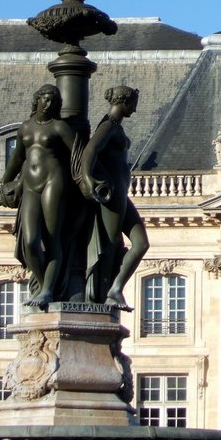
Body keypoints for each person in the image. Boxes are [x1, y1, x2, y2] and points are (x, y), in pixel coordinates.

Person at [0, 84, 77, 308]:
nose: (49, 103)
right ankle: (45, 285)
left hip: (54, 183)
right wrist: (4, 185)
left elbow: (78, 158)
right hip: (30, 187)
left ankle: (48, 290)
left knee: (53, 240)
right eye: (45, 99)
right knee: (30, 241)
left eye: (53, 100)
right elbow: (16, 159)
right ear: (37, 100)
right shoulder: (25, 128)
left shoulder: (60, 128)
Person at [79, 85, 149, 309]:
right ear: (125, 102)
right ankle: (102, 294)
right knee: (109, 246)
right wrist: (88, 180)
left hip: (121, 194)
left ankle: (115, 289)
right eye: (134, 105)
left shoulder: (115, 127)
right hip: (111, 195)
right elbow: (90, 151)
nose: (135, 110)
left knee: (141, 244)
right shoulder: (108, 126)